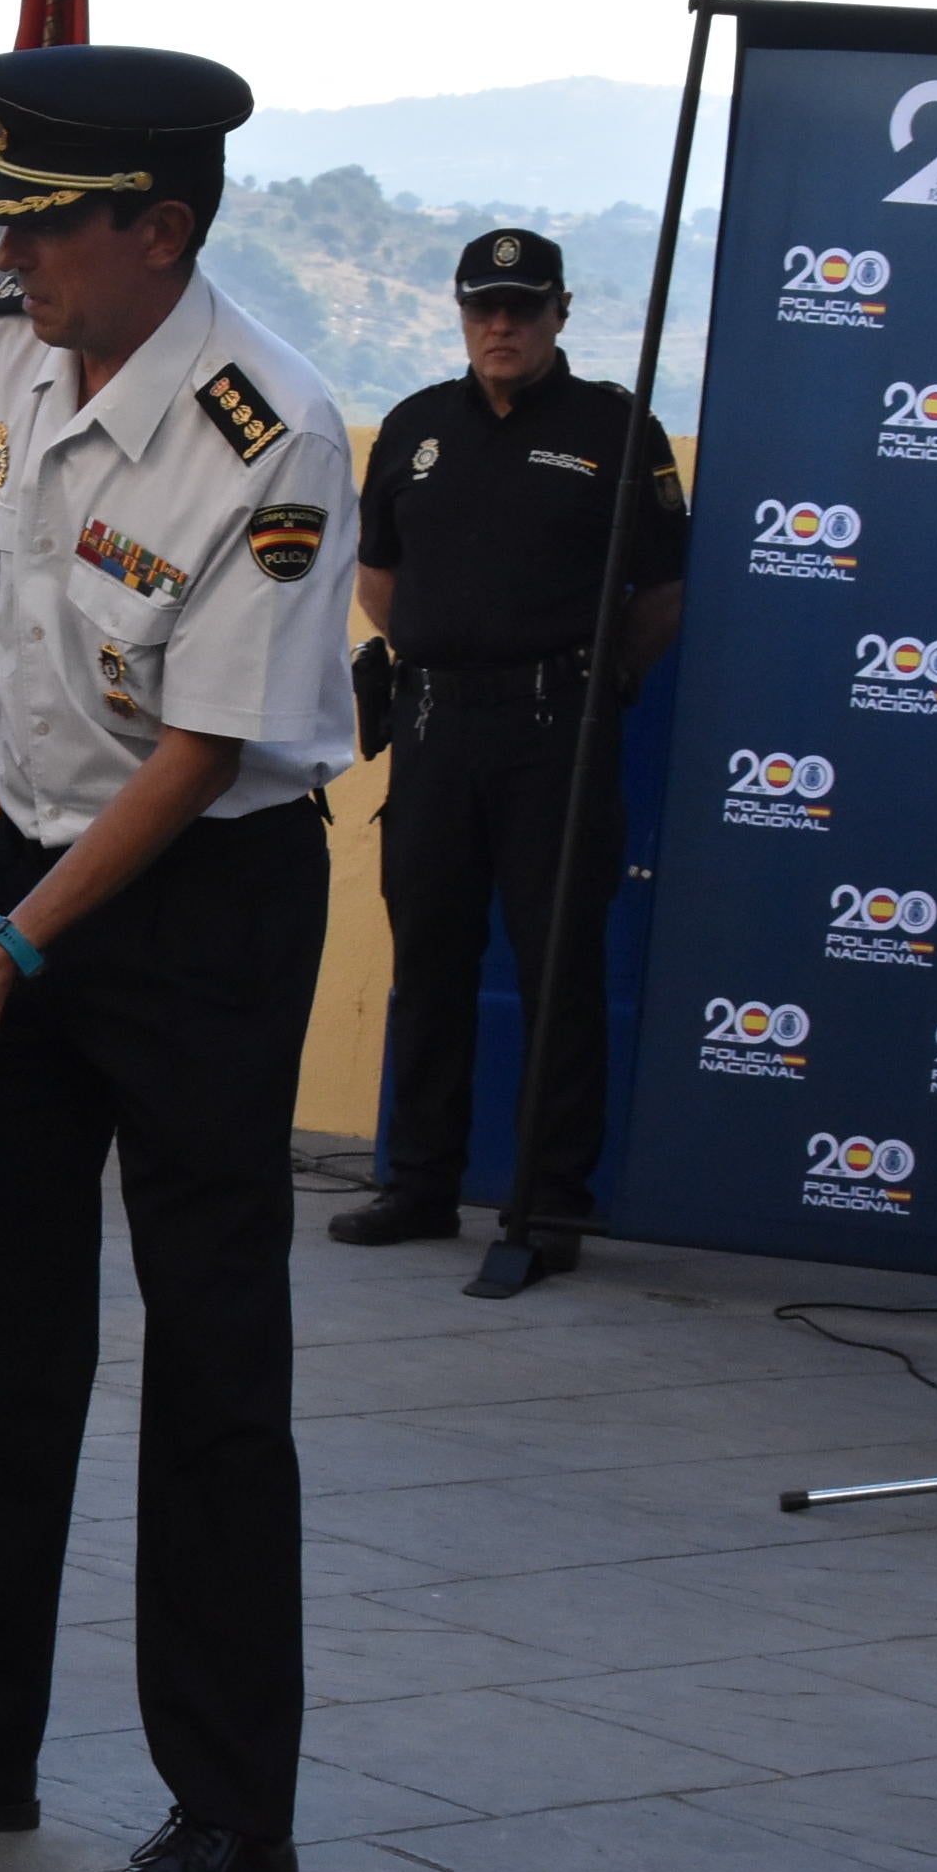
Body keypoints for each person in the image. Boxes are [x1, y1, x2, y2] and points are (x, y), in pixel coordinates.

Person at [0, 45, 355, 1872]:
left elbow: (201, 754)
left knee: (213, 1352)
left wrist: (15, 952)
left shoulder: (272, 430)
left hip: (199, 903)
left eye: (46, 230)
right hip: (25, 855)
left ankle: (231, 1815)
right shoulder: (8, 350)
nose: (12, 258)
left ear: (159, 230)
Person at [330, 228, 686, 1286]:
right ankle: (420, 1184)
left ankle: (547, 1204)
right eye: (483, 306)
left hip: (553, 731)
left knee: (557, 969)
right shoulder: (415, 426)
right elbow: (378, 576)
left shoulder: (614, 428)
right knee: (429, 961)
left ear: (559, 314)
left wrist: (593, 682)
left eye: (522, 308)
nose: (500, 325)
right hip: (435, 726)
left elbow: (662, 592)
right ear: (459, 313)